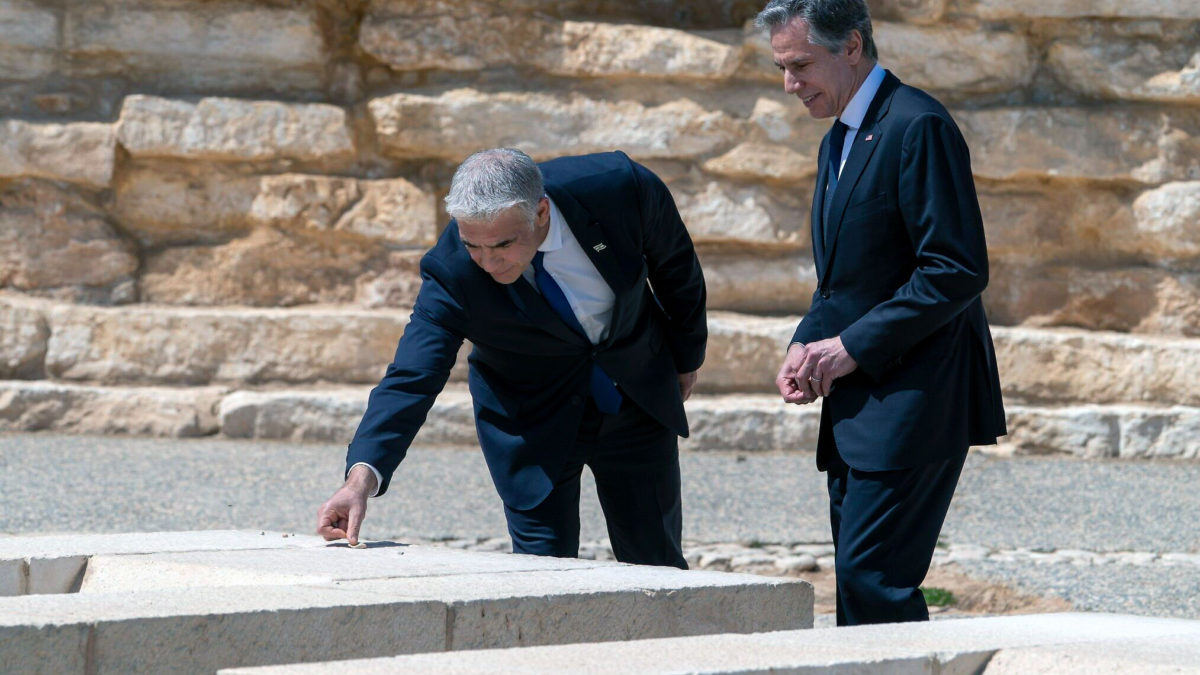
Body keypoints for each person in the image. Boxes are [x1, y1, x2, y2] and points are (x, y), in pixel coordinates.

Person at [316, 148, 707, 569]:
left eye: (502, 244)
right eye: (473, 246)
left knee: (657, 562)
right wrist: (360, 480)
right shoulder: (451, 272)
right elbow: (412, 375)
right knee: (541, 576)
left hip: (634, 394)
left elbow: (677, 269)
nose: (488, 262)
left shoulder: (620, 188)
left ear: (540, 212)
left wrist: (685, 359)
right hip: (531, 419)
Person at [758, 0, 1007, 625]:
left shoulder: (917, 125)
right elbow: (844, 280)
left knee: (874, 581)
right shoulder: (838, 139)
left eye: (800, 66)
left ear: (852, 48)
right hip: (861, 406)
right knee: (859, 581)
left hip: (916, 400)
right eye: (782, 68)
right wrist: (805, 342)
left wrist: (848, 348)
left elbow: (956, 269)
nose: (790, 85)